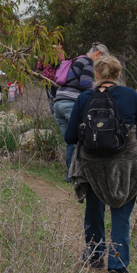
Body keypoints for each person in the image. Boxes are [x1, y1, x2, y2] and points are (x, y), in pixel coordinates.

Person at [64, 55, 137, 273]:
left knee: (94, 209)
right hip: (126, 167)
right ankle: (118, 269)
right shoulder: (130, 95)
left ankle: (94, 255)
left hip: (93, 167)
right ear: (118, 75)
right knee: (120, 214)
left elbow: (70, 136)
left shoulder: (85, 97)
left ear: (96, 74)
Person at [53, 43, 107, 179]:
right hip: (71, 104)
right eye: (101, 62)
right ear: (98, 54)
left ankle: (70, 174)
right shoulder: (88, 61)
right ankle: (76, 174)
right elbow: (85, 83)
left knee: (70, 141)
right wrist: (100, 91)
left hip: (58, 103)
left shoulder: (76, 60)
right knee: (80, 140)